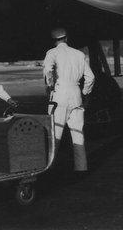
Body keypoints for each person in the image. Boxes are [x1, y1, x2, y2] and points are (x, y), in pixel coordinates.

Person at [43, 28, 95, 173]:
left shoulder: (52, 53)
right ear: (66, 38)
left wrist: (50, 85)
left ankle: (49, 167)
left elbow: (48, 70)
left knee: (55, 133)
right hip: (76, 94)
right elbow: (90, 77)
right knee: (78, 133)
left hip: (60, 94)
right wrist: (85, 92)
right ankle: (81, 168)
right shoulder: (79, 54)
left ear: (54, 41)